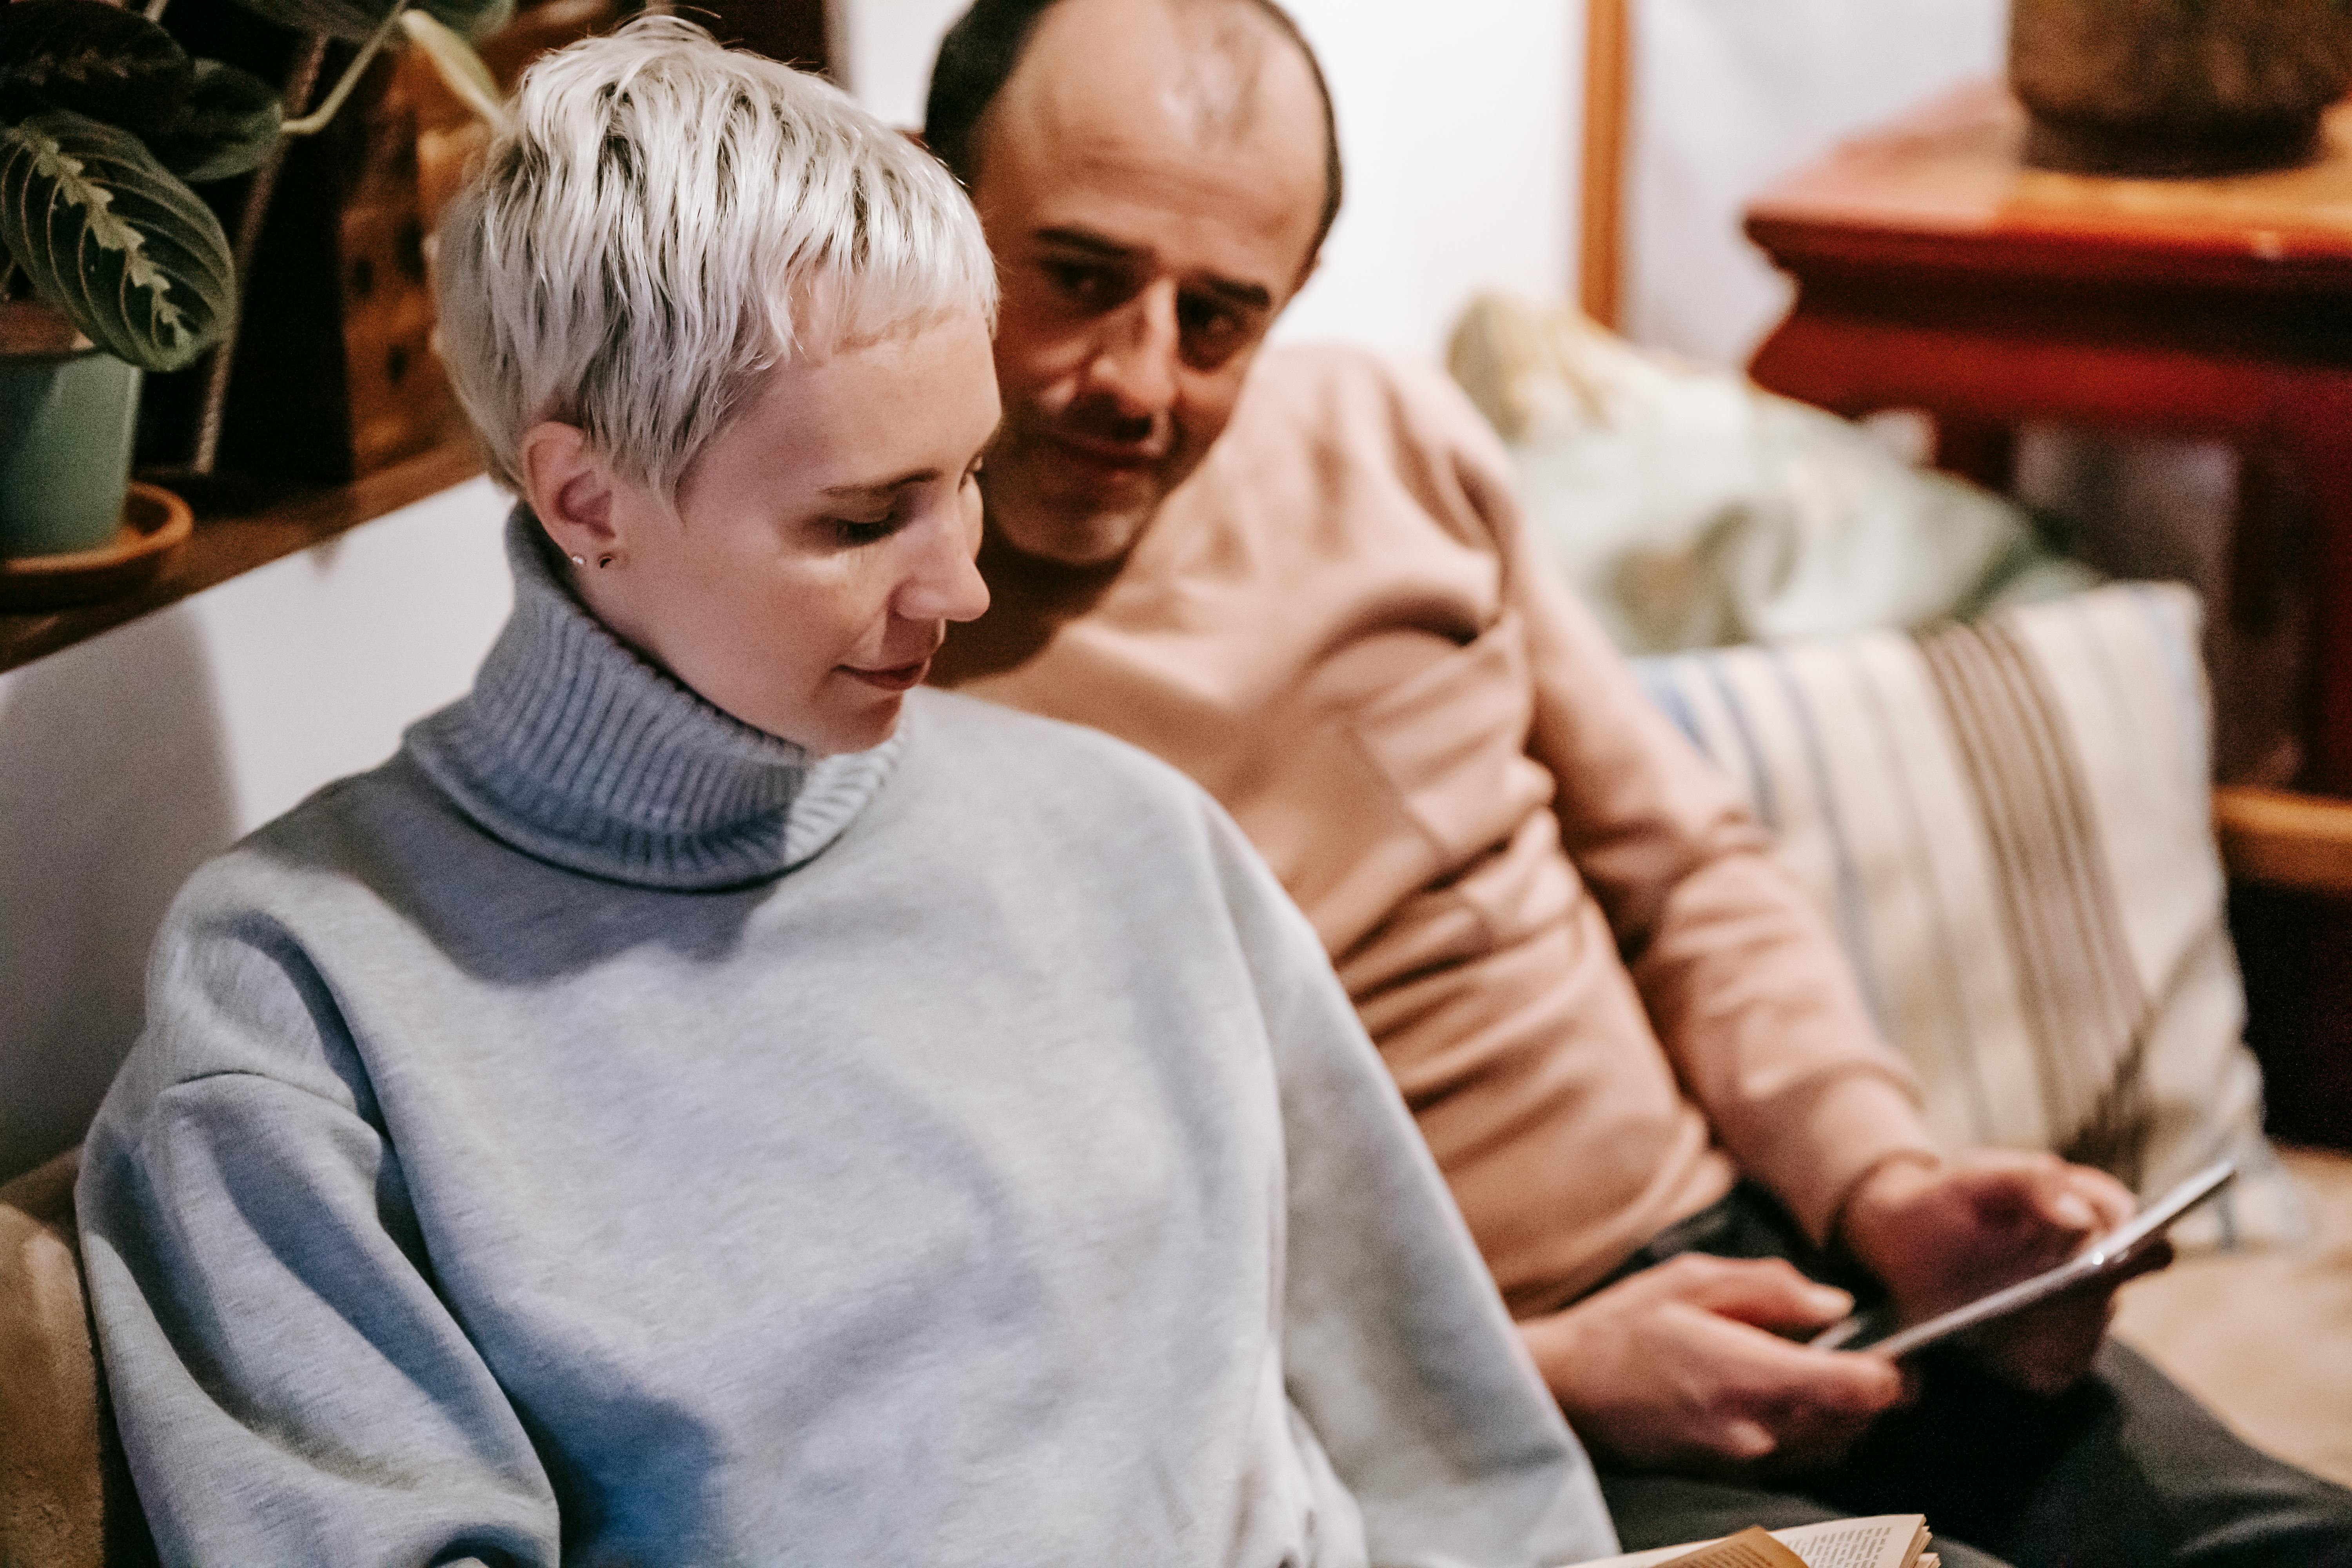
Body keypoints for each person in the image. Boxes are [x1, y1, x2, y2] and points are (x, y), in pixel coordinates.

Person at [71, 20, 1622, 1566]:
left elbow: (1465, 1477)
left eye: (964, 477)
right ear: (585, 495)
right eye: (865, 517)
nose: (957, 581)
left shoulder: (1137, 840)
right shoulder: (299, 996)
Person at [919, 1, 2352, 1563]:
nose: (1137, 381)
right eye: (1077, 280)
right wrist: (1545, 1375)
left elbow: (1688, 867)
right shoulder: (868, 651)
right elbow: (1015, 1284)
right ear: (935, 202)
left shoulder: (1388, 435)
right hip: (1460, 1415)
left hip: (1773, 1258)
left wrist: (1886, 1187)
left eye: (1219, 320)